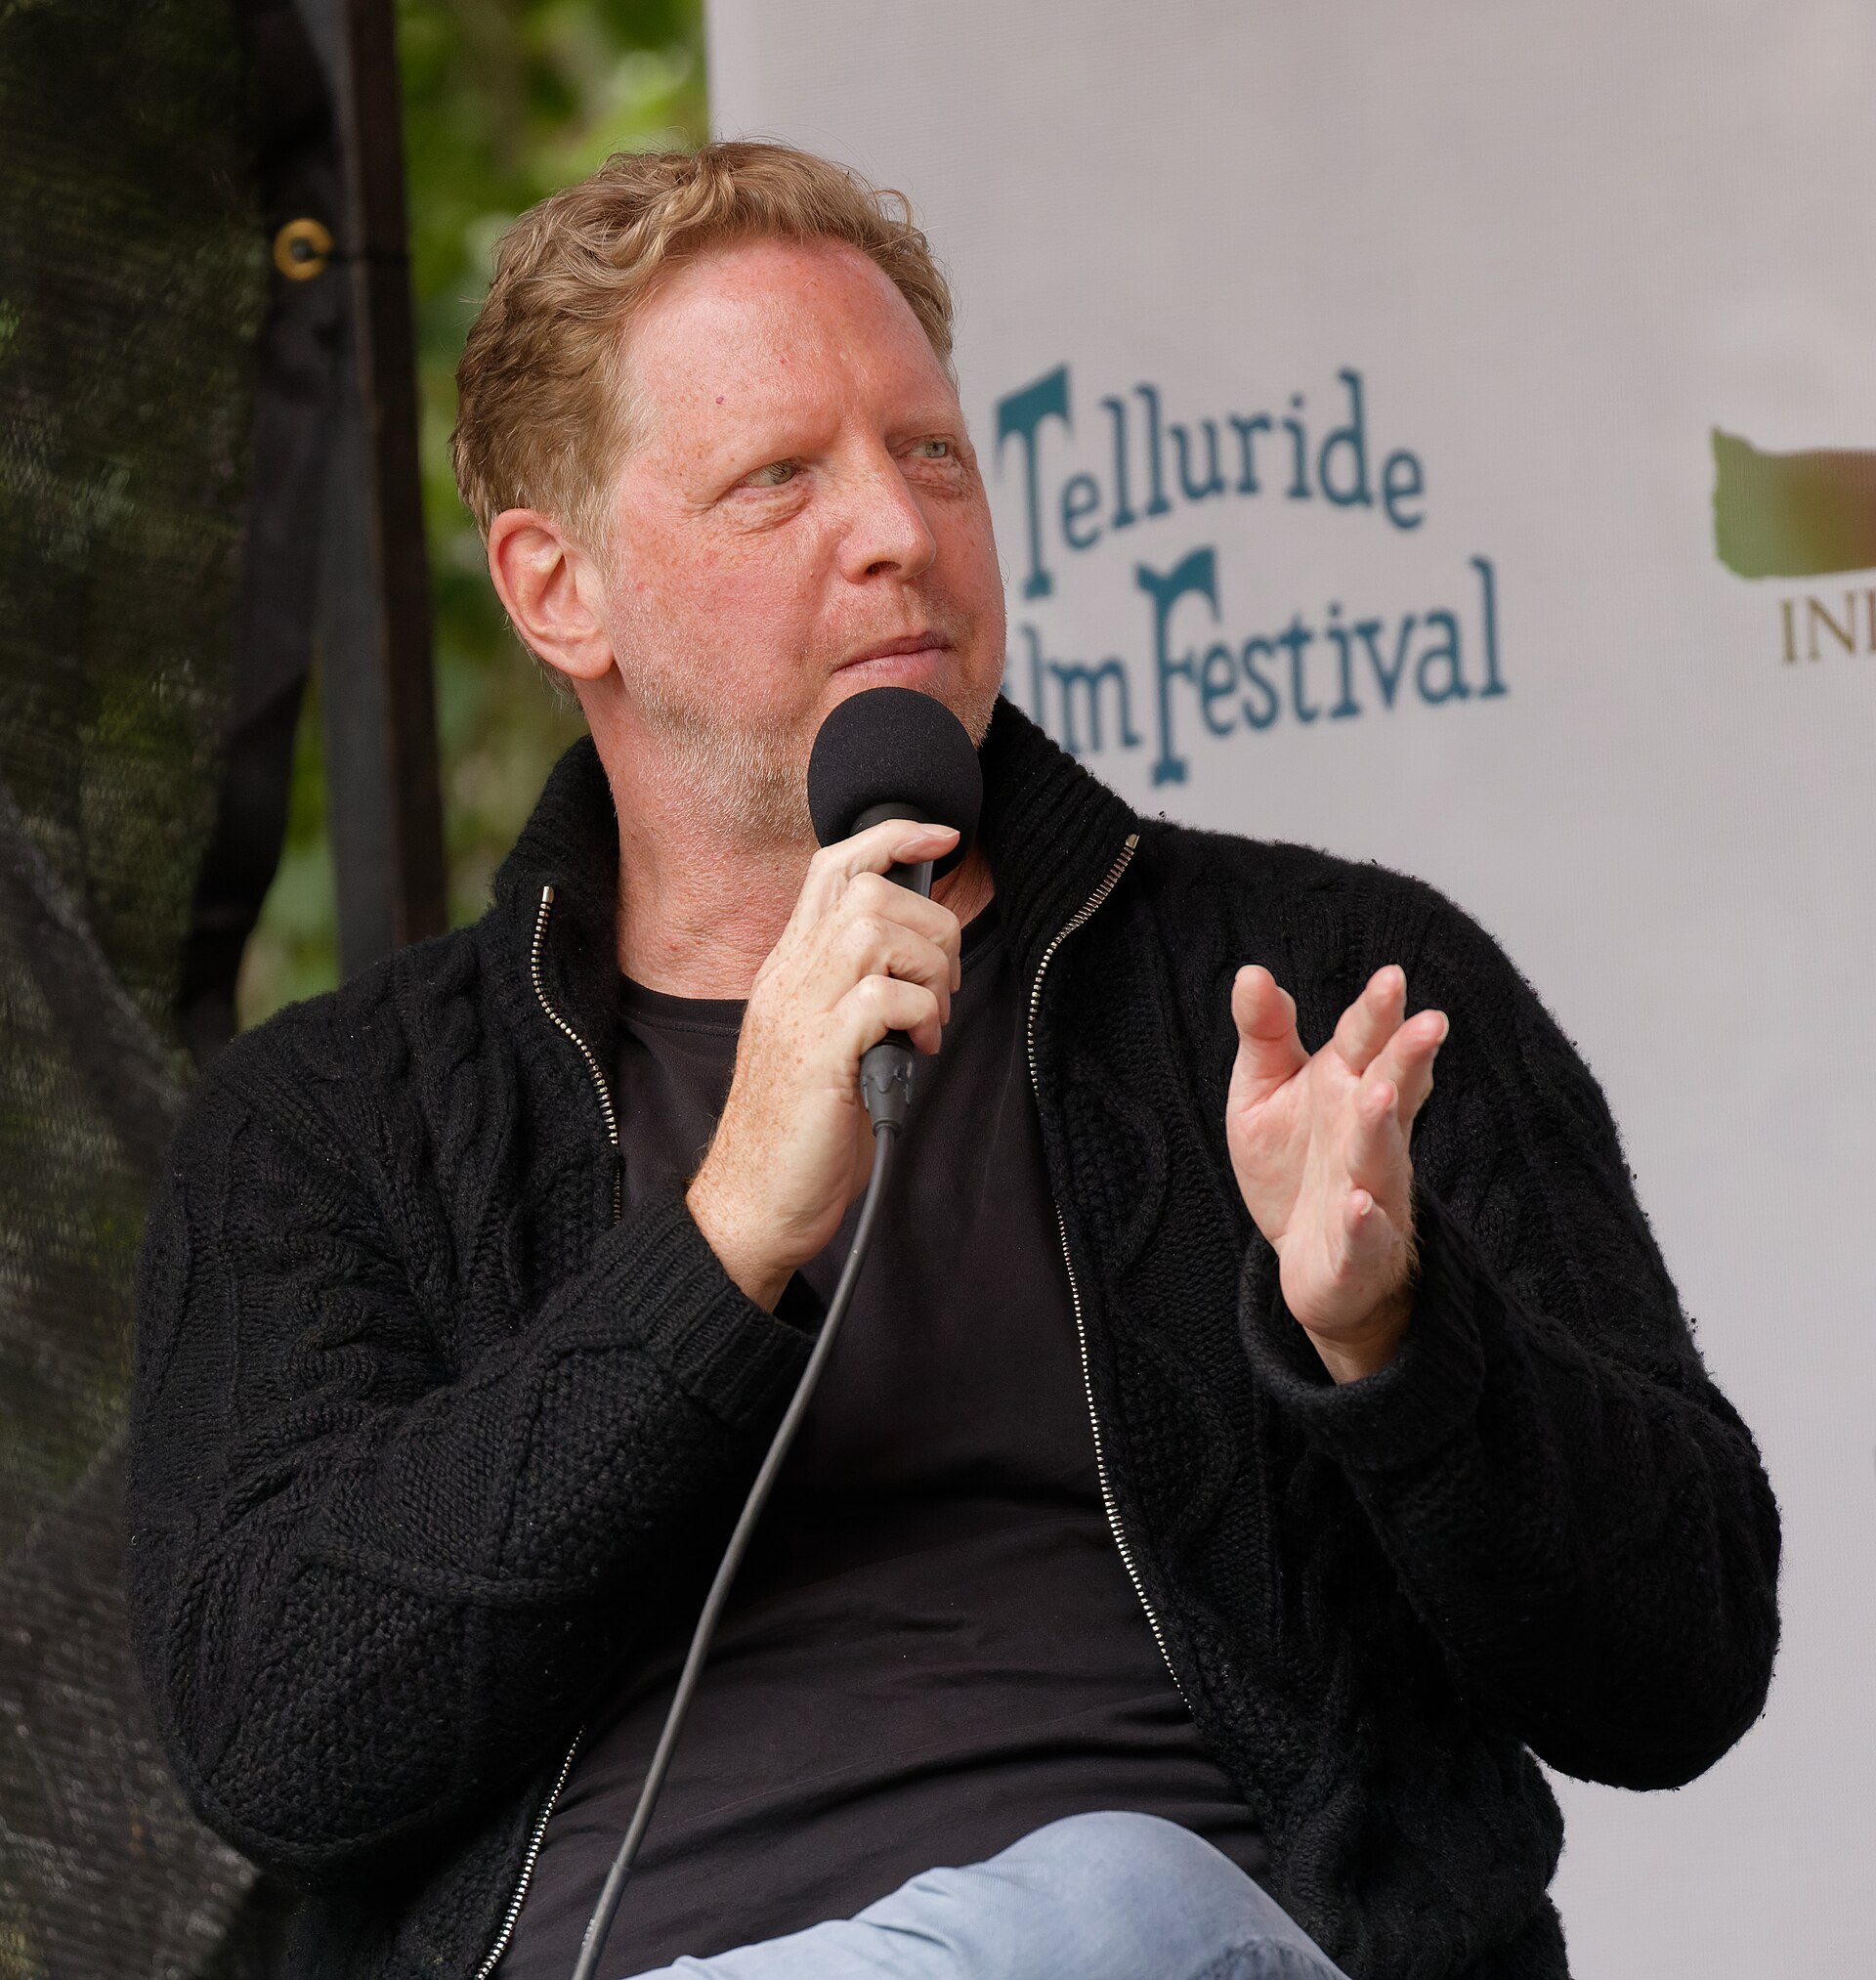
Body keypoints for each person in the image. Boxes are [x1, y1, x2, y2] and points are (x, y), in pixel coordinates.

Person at [126, 143, 1779, 1980]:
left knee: (1101, 1901)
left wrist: (1396, 1342)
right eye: (779, 479)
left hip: (1178, 1938)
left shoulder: (1315, 990)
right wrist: (721, 1240)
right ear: (556, 588)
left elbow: (1684, 1664)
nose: (899, 530)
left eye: (930, 453)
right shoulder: (333, 1123)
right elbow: (275, 1741)